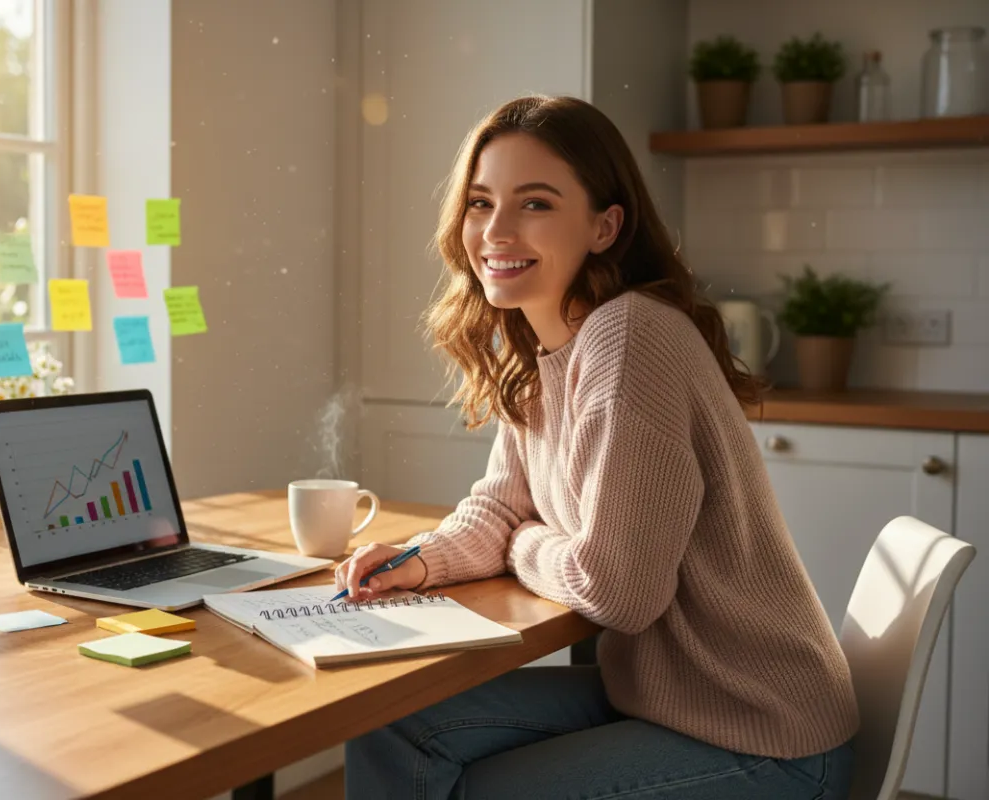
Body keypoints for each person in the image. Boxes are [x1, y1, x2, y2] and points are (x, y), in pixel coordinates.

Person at [333, 95, 859, 799]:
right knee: (388, 721)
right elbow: (500, 507)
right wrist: (418, 562)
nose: (496, 230)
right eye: (481, 202)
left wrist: (524, 544)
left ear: (605, 226)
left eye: (536, 204)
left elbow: (617, 590)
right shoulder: (541, 346)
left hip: (760, 731)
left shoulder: (630, 337)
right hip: (658, 693)